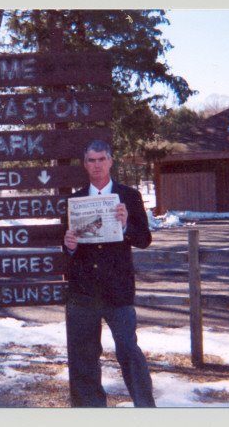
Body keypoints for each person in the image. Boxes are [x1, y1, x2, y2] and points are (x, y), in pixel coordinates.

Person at [63, 139, 156, 407]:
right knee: (84, 358)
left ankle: (146, 408)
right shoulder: (75, 200)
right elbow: (66, 243)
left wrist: (126, 226)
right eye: (91, 160)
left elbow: (144, 239)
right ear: (85, 164)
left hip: (118, 290)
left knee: (129, 351)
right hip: (84, 292)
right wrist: (68, 245)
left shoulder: (130, 196)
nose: (96, 165)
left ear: (111, 161)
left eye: (101, 159)